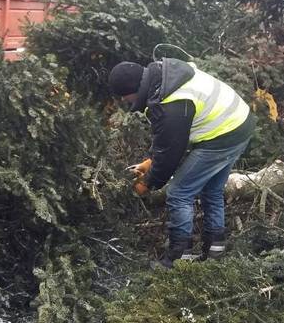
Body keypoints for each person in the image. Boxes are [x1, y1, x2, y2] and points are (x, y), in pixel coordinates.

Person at [109, 58, 255, 267]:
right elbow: (171, 140)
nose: (126, 102)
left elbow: (171, 152)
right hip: (239, 123)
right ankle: (215, 250)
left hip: (223, 136)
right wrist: (149, 163)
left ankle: (179, 257)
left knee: (178, 192)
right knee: (212, 190)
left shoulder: (171, 103)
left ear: (132, 90)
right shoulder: (167, 78)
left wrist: (148, 183)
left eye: (125, 98)